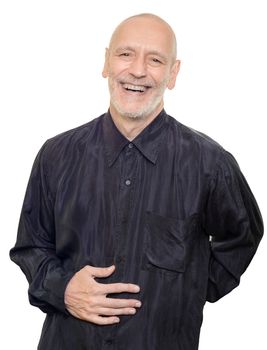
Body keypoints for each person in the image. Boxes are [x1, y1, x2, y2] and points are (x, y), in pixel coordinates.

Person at [10, 13, 263, 350]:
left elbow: (242, 235)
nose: (138, 71)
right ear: (106, 62)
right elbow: (31, 247)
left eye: (155, 60)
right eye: (125, 54)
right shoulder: (56, 155)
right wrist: (64, 289)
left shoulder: (210, 164)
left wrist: (184, 292)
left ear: (173, 74)